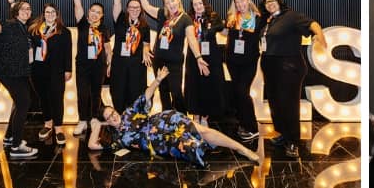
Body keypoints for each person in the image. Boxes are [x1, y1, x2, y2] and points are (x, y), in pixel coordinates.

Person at [89, 67, 259, 165]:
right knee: (192, 149)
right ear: (107, 123)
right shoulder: (117, 139)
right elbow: (92, 145)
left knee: (200, 131)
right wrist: (98, 125)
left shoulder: (128, 113)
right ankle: (201, 141)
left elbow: (145, 96)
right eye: (109, 118)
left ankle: (241, 149)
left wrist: (157, 80)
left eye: (112, 112)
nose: (113, 117)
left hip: (165, 121)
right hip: (162, 143)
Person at [258, 0, 327, 158]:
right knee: (275, 103)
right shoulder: (269, 20)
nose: (270, 4)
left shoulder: (292, 16)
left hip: (289, 66)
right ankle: (282, 133)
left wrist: (320, 36)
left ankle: (293, 141)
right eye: (267, 3)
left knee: (289, 104)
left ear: (280, 2)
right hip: (270, 65)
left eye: (272, 1)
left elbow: (313, 24)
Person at [135, 0, 209, 112]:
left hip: (175, 63)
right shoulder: (163, 14)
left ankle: (182, 121)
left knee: (176, 93)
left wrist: (198, 57)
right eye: (168, 2)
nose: (171, 4)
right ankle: (166, 121)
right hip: (159, 60)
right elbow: (146, 6)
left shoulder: (186, 18)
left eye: (173, 1)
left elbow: (192, 39)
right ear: (165, 5)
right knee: (163, 92)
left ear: (178, 1)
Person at [0, 0, 40, 158]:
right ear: (16, 12)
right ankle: (16, 146)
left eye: (28, 9)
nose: (27, 11)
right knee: (24, 102)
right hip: (9, 72)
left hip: (19, 72)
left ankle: (9, 137)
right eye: (23, 9)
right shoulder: (10, 24)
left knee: (20, 102)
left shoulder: (23, 27)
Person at [69, 0, 111, 141]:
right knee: (82, 93)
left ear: (101, 15)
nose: (95, 14)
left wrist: (109, 64)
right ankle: (82, 120)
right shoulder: (83, 24)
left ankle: (94, 118)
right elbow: (77, 5)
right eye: (92, 11)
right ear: (89, 12)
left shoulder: (104, 29)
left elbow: (108, 48)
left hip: (99, 66)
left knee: (96, 93)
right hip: (82, 66)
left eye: (98, 12)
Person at [222, 0, 262, 142]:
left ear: (248, 0)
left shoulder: (258, 18)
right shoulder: (232, 18)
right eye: (237, 2)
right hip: (232, 61)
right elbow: (225, 33)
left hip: (249, 62)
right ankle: (243, 123)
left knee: (242, 91)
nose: (240, 4)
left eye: (242, 1)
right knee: (238, 93)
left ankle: (252, 128)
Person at [28, 3, 72, 143]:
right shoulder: (35, 30)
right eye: (47, 12)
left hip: (57, 71)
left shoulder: (64, 32)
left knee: (57, 99)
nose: (50, 14)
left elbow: (68, 52)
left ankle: (58, 127)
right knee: (44, 98)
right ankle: (48, 124)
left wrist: (68, 69)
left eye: (53, 12)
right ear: (43, 14)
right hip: (38, 70)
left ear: (57, 14)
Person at [109, 0, 151, 114]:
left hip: (136, 67)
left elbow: (146, 45)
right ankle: (119, 122)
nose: (134, 10)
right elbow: (117, 3)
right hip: (119, 64)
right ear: (127, 9)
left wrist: (146, 52)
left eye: (137, 8)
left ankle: (134, 122)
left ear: (141, 10)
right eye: (131, 7)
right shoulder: (120, 20)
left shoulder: (144, 26)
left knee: (136, 94)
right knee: (118, 93)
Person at [185, 0, 225, 126]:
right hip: (194, 57)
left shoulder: (213, 17)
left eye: (200, 3)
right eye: (195, 4)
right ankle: (196, 117)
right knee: (194, 85)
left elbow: (223, 29)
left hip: (211, 57)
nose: (198, 6)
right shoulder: (189, 19)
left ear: (204, 4)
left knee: (209, 85)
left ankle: (205, 117)